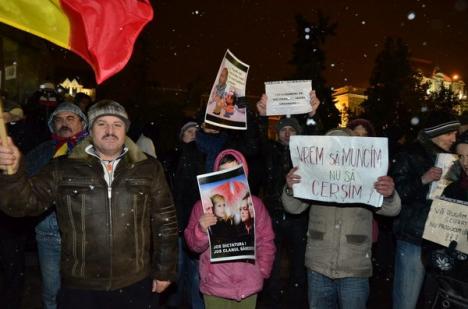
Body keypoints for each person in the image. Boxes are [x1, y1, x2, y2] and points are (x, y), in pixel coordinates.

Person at [0, 99, 178, 308]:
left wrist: (164, 270)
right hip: (81, 286)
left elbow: (165, 220)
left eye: (117, 124)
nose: (110, 130)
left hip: (135, 281)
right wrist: (12, 172)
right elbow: (22, 204)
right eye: (102, 124)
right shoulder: (62, 167)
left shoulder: (149, 167)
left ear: (125, 130)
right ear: (90, 130)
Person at [283, 128, 401, 309]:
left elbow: (392, 210)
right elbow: (293, 207)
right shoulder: (315, 176)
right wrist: (291, 188)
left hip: (354, 266)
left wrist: (389, 194)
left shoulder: (367, 177)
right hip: (318, 264)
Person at [184, 149, 275, 309]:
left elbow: (266, 241)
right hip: (215, 286)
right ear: (215, 175)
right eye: (224, 173)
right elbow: (193, 245)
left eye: (235, 172)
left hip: (248, 285)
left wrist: (261, 271)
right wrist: (201, 229)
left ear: (244, 174)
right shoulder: (202, 207)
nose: (229, 179)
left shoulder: (255, 205)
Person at [390, 111, 460, 309]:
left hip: (440, 238)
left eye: (455, 134)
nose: (454, 138)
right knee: (407, 297)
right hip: (414, 237)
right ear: (436, 133)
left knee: (434, 298)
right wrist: (423, 180)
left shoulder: (452, 158)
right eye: (450, 134)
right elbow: (395, 194)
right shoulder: (410, 153)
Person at [25, 102, 88, 309]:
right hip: (48, 232)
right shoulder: (42, 151)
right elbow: (24, 184)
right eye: (59, 119)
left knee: (82, 292)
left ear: (82, 123)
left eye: (70, 118)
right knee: (52, 291)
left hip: (86, 234)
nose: (64, 123)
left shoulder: (95, 150)